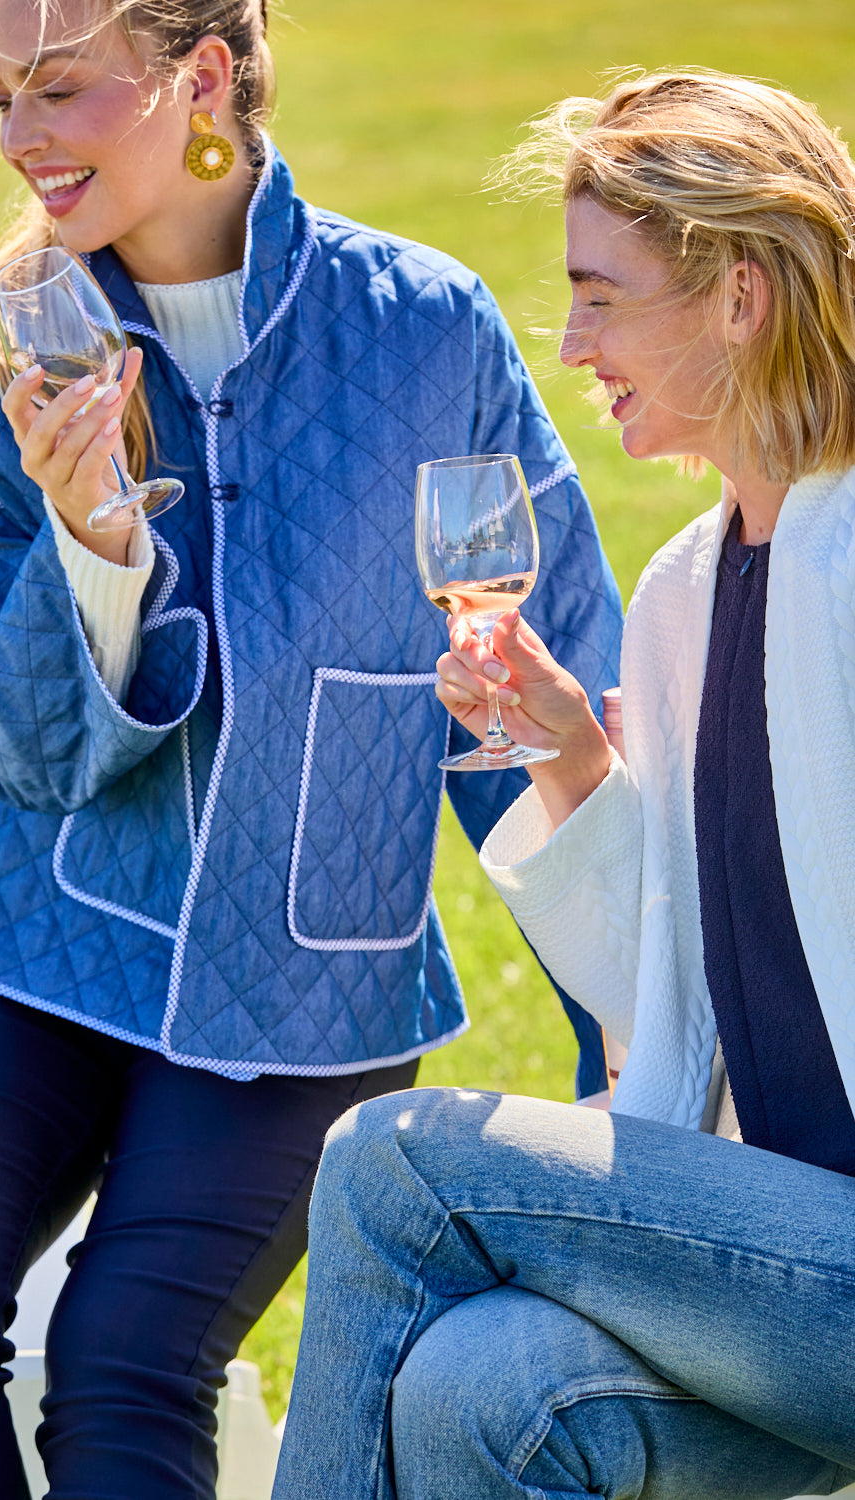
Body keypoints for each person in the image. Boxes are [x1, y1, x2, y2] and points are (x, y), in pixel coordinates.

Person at [0, 1, 624, 1496]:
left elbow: (539, 689)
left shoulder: (425, 331)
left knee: (128, 1358)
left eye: (61, 88)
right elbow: (5, 751)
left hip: (304, 990)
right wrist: (87, 551)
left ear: (198, 76)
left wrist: (622, 1041)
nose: (19, 139)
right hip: (25, 949)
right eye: (0, 91)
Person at [270, 69, 855, 1500]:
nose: (573, 340)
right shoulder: (683, 597)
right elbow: (669, 1014)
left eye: (603, 295)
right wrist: (574, 754)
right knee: (486, 1390)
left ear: (738, 296)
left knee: (393, 1155)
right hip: (787, 1266)